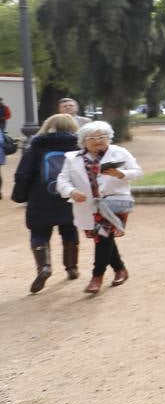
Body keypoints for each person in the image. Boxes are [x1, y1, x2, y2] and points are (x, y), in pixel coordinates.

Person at [55, 121, 142, 295]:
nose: (98, 141)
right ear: (83, 141)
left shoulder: (120, 152)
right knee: (105, 239)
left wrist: (121, 174)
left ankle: (97, 277)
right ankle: (120, 269)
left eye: (102, 137)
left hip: (115, 204)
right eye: (92, 138)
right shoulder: (72, 158)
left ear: (109, 138)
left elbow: (137, 171)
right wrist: (71, 191)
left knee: (103, 236)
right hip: (88, 206)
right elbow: (62, 181)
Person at [11, 113, 81, 292]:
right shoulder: (78, 144)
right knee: (69, 229)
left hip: (40, 194)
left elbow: (23, 173)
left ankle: (44, 267)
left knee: (39, 232)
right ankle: (71, 267)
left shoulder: (36, 144)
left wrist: (20, 195)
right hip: (70, 194)